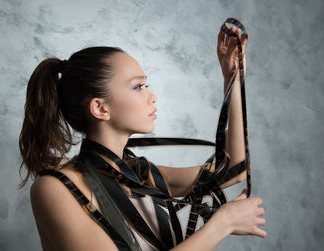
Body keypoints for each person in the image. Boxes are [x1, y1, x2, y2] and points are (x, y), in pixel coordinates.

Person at [19, 24, 266, 251]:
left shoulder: (139, 174)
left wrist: (233, 80)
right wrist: (222, 223)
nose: (152, 97)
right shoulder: (56, 188)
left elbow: (234, 169)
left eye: (146, 85)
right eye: (138, 87)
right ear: (100, 108)